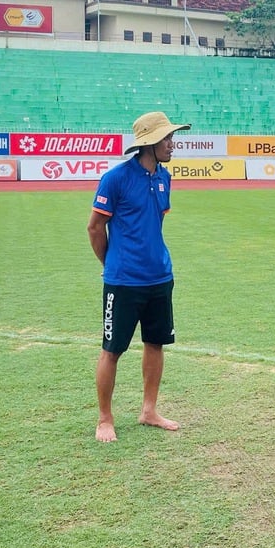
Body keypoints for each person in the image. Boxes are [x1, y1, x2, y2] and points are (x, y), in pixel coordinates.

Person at [87, 111, 189, 442]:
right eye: (167, 138)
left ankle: (149, 410)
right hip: (123, 281)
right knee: (112, 349)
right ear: (149, 144)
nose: (172, 144)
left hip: (160, 277)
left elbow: (154, 224)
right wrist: (112, 262)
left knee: (155, 343)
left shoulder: (164, 177)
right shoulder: (115, 178)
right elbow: (94, 227)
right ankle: (105, 418)